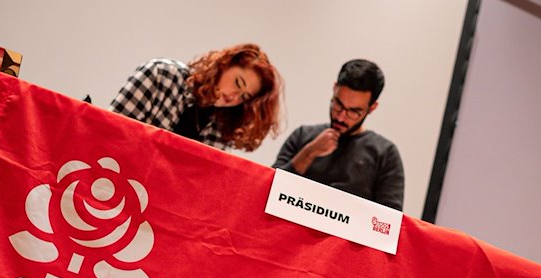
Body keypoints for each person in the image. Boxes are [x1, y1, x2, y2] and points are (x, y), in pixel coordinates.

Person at [272, 59, 404, 211]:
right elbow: (269, 190)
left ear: (372, 108)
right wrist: (309, 153)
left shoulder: (385, 154)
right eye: (338, 104)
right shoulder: (303, 136)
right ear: (334, 89)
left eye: (353, 111)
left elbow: (389, 222)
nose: (341, 117)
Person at [110, 43, 283, 152]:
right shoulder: (160, 74)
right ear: (225, 65)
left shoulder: (222, 126)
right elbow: (108, 132)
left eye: (244, 96)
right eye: (238, 83)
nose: (233, 97)